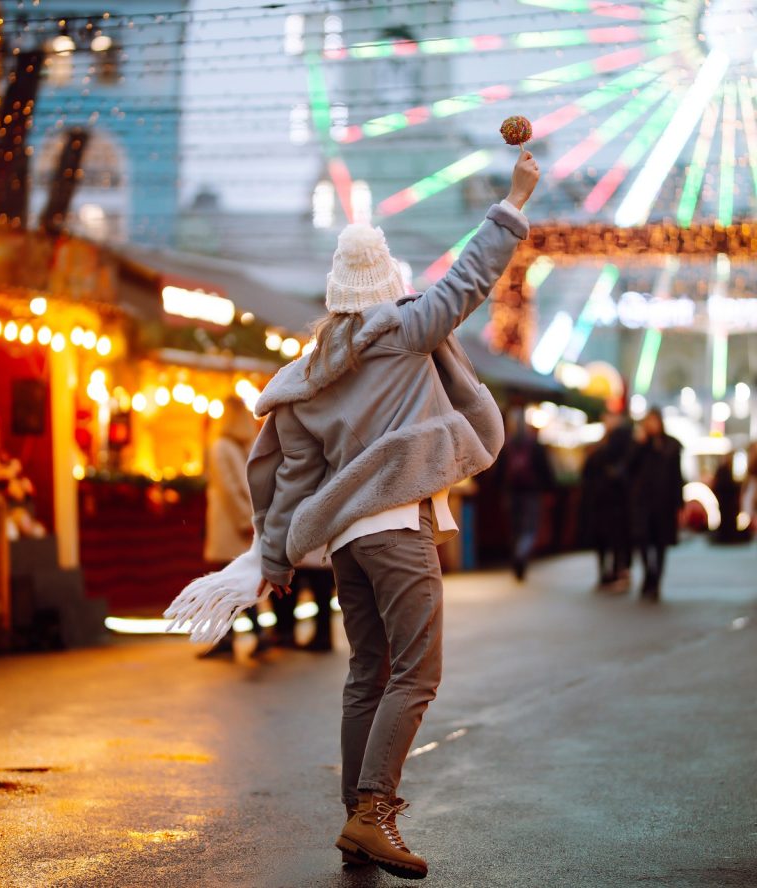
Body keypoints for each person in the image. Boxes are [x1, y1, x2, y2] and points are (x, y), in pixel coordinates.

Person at [244, 150, 539, 878]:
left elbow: (292, 474)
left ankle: (356, 815)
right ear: (387, 285)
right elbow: (471, 278)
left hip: (344, 542)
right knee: (416, 672)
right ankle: (372, 811)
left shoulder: (312, 373)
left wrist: (277, 557)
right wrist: (516, 198)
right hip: (396, 529)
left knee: (367, 672)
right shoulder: (406, 332)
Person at [202, 395, 261, 655]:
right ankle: (246, 634)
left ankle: (229, 637)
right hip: (240, 522)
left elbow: (230, 488)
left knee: (229, 583)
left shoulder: (223, 447)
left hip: (232, 524)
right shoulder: (238, 446)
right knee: (236, 582)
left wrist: (241, 520)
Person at [628, 408, 684, 601]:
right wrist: (640, 444)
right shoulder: (640, 445)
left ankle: (656, 581)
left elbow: (677, 477)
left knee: (661, 543)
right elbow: (629, 468)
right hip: (643, 501)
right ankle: (648, 575)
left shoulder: (671, 446)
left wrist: (679, 503)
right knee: (642, 540)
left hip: (663, 502)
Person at [497, 409, 555, 581]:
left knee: (515, 528)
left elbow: (499, 473)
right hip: (531, 492)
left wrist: (500, 490)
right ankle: (521, 553)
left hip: (511, 492)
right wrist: (549, 489)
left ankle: (516, 553)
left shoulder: (506, 445)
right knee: (529, 528)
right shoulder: (535, 445)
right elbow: (545, 469)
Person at [581, 413, 633, 591]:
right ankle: (610, 574)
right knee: (608, 540)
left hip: (613, 501)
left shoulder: (617, 442)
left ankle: (615, 573)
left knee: (613, 539)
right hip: (606, 501)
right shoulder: (605, 444)